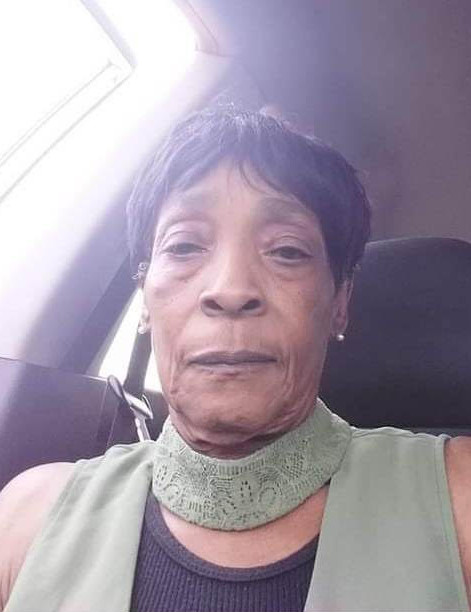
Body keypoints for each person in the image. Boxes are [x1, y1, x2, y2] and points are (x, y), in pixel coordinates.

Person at [1, 106, 471, 612]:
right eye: (184, 246)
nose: (229, 289)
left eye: (286, 250)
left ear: (340, 300)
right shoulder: (29, 519)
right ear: (145, 298)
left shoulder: (458, 501)